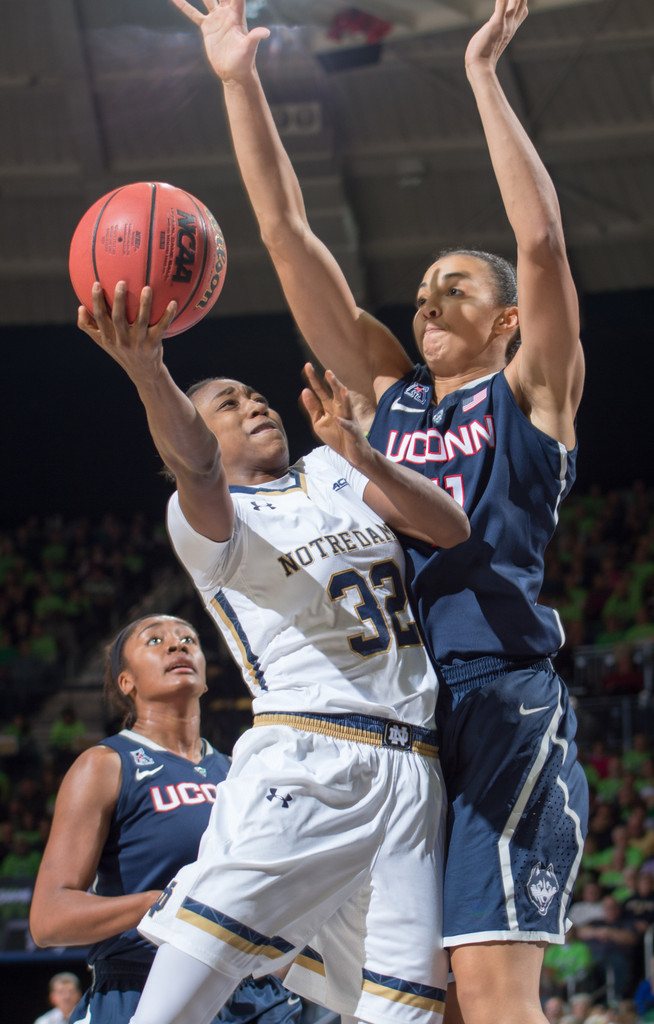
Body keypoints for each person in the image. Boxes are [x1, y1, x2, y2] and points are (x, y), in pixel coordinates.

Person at [168, 0, 589, 1021]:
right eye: (419, 290)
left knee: (492, 996)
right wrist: (238, 78)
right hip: (397, 722)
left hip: (496, 697)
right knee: (415, 1002)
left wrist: (482, 72)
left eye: (453, 289)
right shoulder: (390, 396)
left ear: (503, 321)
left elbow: (539, 242)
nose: (426, 301)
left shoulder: (532, 393)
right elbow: (282, 232)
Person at [66, 275, 469, 1024]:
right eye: (228, 403)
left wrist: (367, 455)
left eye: (257, 395)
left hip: (413, 769)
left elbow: (450, 529)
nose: (254, 405)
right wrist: (149, 369)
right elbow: (194, 464)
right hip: (309, 759)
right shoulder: (210, 523)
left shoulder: (332, 471)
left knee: (407, 1011)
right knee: (179, 1004)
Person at [30, 614, 302, 1024]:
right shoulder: (105, 765)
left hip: (247, 991)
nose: (177, 646)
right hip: (141, 986)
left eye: (189, 639)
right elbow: (49, 920)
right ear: (127, 682)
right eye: (154, 640)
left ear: (206, 677)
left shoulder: (238, 770)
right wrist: (162, 903)